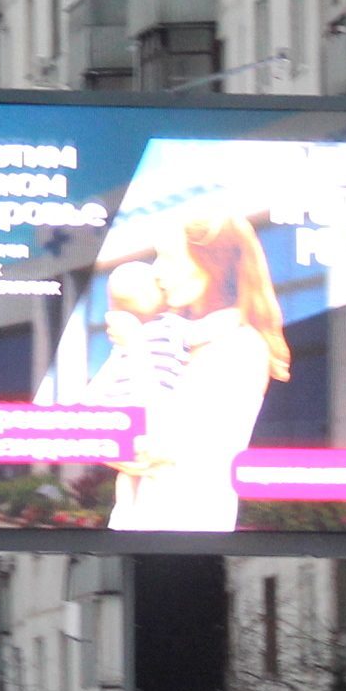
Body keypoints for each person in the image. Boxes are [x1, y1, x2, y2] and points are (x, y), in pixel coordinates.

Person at [78, 198, 291, 530]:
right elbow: (87, 421)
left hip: (191, 528)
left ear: (212, 264)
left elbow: (162, 444)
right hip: (131, 527)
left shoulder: (241, 347)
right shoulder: (166, 333)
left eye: (169, 258)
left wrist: (135, 348)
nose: (158, 273)